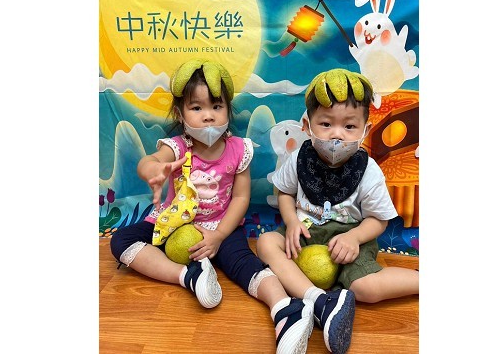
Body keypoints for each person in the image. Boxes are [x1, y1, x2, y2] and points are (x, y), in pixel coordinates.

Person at [110, 59, 314, 354]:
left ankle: (285, 309)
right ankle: (188, 276)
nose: (208, 116)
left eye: (216, 107)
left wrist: (219, 235)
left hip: (221, 225)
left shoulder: (239, 149)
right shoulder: (177, 146)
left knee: (244, 263)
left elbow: (241, 198)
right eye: (197, 108)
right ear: (180, 114)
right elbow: (150, 161)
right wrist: (154, 170)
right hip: (175, 222)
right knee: (121, 241)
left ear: (227, 110)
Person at [257, 68, 420, 354]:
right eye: (325, 123)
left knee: (366, 289)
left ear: (365, 130)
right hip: (306, 231)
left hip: (350, 237)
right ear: (307, 125)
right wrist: (291, 221)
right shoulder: (298, 159)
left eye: (349, 127)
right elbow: (285, 193)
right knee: (265, 242)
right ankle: (317, 298)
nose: (336, 135)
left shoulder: (368, 170)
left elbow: (378, 220)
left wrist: (355, 238)